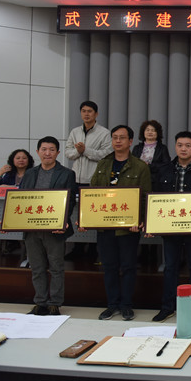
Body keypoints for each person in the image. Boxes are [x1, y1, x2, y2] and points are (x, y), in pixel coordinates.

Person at [88, 125, 151, 321]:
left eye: (122, 138)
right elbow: (93, 192)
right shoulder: (103, 164)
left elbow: (145, 197)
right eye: (114, 137)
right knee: (109, 267)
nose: (117, 141)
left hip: (128, 228)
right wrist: (87, 217)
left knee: (128, 267)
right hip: (105, 226)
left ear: (130, 141)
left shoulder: (140, 166)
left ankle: (126, 305)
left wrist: (140, 220)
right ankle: (112, 304)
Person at [150, 131, 191, 324]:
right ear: (175, 147)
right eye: (180, 145)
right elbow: (156, 199)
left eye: (187, 145)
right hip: (170, 229)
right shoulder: (164, 170)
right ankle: (167, 307)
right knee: (170, 267)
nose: (183, 149)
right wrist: (154, 223)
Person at [9, 137, 76, 315]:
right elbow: (21, 199)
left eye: (52, 150)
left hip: (55, 229)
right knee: (37, 267)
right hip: (32, 229)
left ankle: (55, 303)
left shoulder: (67, 174)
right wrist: (10, 219)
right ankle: (40, 302)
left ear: (58, 153)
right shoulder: (30, 173)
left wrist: (63, 221)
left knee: (56, 267)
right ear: (38, 152)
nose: (47, 153)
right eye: (44, 149)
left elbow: (70, 202)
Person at [64, 100, 112, 261]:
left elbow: (106, 154)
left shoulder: (104, 133)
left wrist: (86, 150)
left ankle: (93, 250)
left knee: (93, 213)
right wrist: (79, 151)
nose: (86, 114)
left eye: (89, 111)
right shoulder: (75, 131)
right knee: (76, 213)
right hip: (76, 178)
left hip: (94, 180)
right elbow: (68, 153)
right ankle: (77, 248)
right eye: (83, 111)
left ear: (96, 114)